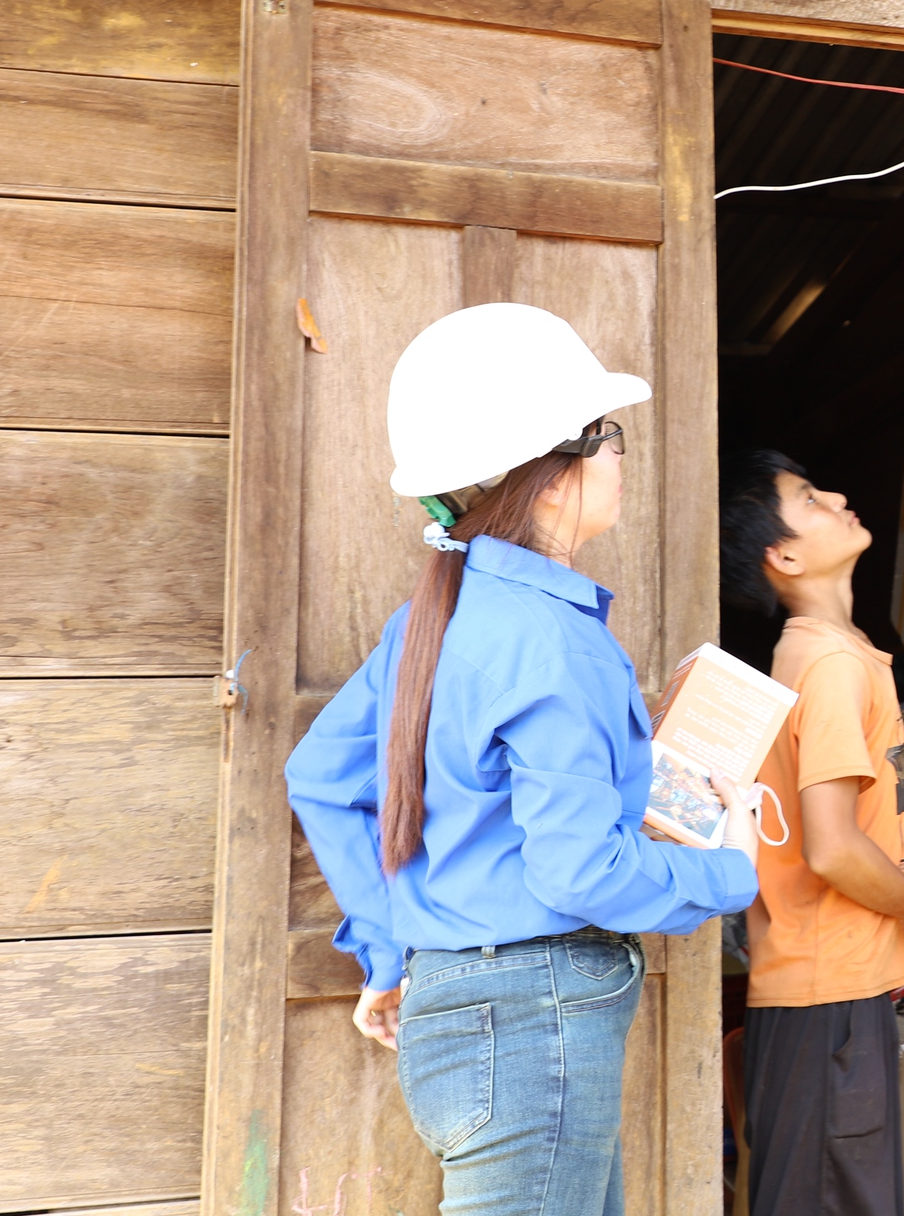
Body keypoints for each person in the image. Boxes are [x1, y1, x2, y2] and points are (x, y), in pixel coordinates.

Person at [288, 303, 759, 1216]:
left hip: (455, 1012)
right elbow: (580, 868)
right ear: (549, 475)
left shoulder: (428, 621)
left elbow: (319, 776)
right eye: (607, 435)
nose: (620, 456)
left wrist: (388, 951)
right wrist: (730, 865)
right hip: (536, 1026)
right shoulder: (555, 638)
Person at [719, 452, 904, 1216]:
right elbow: (830, 848)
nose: (841, 496)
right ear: (783, 556)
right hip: (826, 1004)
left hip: (836, 998)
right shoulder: (827, 665)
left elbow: (856, 839)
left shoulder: (836, 656)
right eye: (812, 498)